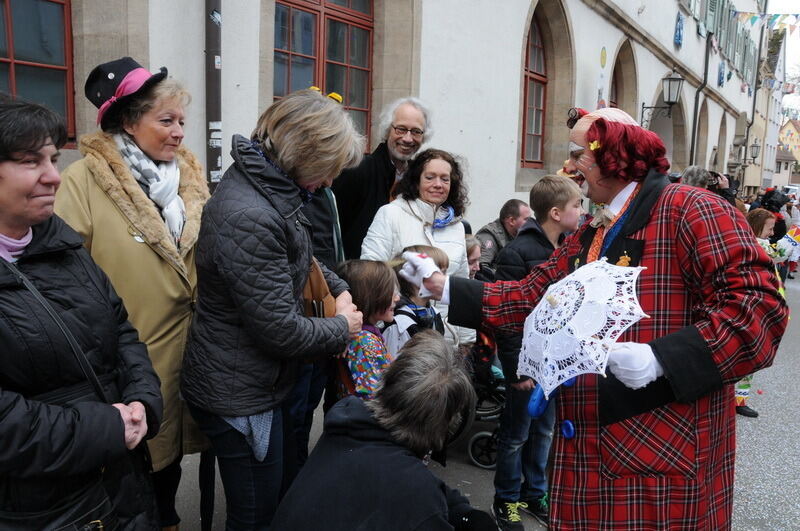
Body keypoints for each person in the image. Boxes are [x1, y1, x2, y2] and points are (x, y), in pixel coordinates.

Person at [403, 107, 788, 529]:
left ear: (615, 154)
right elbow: (533, 295)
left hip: (661, 453)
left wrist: (663, 358)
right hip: (591, 455)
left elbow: (760, 310)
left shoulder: (692, 209)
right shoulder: (593, 229)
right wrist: (443, 287)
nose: (568, 166)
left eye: (578, 154)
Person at [180, 89, 364, 530]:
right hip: (240, 394)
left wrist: (339, 289)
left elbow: (302, 257)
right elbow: (281, 330)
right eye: (329, 168)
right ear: (305, 151)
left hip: (254, 384)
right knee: (255, 517)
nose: (330, 181)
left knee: (270, 502)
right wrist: (343, 326)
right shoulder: (252, 212)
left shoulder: (270, 189)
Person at [55, 56, 210, 530]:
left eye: (181, 121)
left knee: (172, 463)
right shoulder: (83, 181)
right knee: (136, 468)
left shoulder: (187, 179)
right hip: (127, 359)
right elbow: (64, 278)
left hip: (188, 353)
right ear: (127, 121)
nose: (179, 132)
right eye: (166, 121)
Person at [0, 98, 162, 529]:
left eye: (53, 159)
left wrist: (142, 401)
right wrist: (107, 429)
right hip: (43, 509)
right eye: (30, 161)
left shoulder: (61, 242)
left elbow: (120, 329)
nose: (53, 176)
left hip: (120, 481)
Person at [271, 330, 496, 531]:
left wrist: (462, 512)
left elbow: (413, 483)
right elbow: (416, 491)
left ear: (389, 381)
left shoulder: (350, 427)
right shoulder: (416, 495)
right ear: (446, 424)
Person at [490, 175, 583, 530]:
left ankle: (534, 494)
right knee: (516, 436)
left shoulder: (570, 249)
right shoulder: (517, 253)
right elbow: (508, 318)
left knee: (544, 432)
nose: (582, 211)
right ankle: (506, 500)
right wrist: (518, 369)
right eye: (576, 205)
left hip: (555, 362)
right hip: (527, 365)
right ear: (556, 213)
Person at [332, 97, 432, 259]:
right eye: (401, 129)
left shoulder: (420, 178)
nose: (408, 138)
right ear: (387, 130)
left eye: (416, 131)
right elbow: (333, 230)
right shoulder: (358, 170)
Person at [332, 259, 399, 399]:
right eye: (390, 293)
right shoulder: (363, 341)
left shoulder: (364, 335)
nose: (397, 298)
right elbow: (371, 397)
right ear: (370, 297)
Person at [383, 245, 448, 357]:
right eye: (438, 273)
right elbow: (393, 365)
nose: (445, 279)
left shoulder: (433, 313)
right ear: (415, 277)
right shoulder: (400, 324)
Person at [475, 199, 531, 279]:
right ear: (511, 221)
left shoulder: (522, 236)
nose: (531, 223)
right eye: (526, 219)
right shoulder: (489, 235)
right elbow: (481, 269)